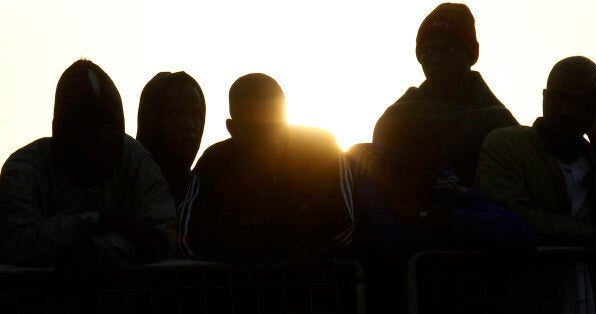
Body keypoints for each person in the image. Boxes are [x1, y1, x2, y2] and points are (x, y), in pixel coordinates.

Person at [0, 60, 177, 269]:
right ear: (61, 129)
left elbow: (164, 235)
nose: (102, 138)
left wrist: (96, 250)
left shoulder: (134, 159)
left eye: (110, 125)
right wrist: (102, 220)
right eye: (85, 125)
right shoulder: (24, 169)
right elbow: (14, 241)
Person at [178, 73, 354, 266]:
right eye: (255, 130)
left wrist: (264, 243)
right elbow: (187, 238)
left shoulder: (322, 150)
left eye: (275, 127)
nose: (268, 139)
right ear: (232, 128)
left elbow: (343, 228)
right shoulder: (214, 163)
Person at [476, 56, 596, 247]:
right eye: (557, 98)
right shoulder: (505, 145)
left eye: (578, 103)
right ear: (544, 96)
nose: (565, 111)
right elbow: (513, 218)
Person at [349, 112, 534, 259]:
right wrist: (457, 234)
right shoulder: (362, 183)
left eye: (424, 172)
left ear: (439, 162)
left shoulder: (444, 185)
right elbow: (394, 241)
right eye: (403, 171)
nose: (415, 182)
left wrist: (430, 215)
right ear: (385, 162)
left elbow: (518, 231)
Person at [373, 2, 518, 186]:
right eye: (428, 51)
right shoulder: (395, 118)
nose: (437, 59)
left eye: (449, 49)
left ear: (470, 55)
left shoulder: (499, 125)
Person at [137, 71, 205, 206]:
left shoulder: (205, 193)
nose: (189, 125)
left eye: (196, 115)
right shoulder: (123, 189)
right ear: (152, 118)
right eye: (176, 114)